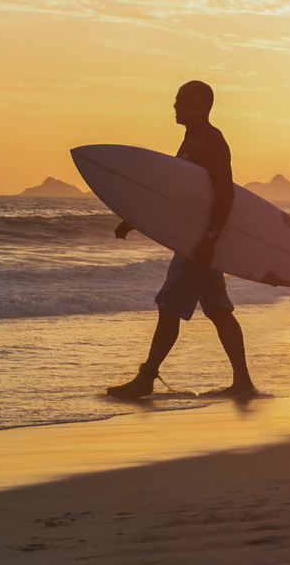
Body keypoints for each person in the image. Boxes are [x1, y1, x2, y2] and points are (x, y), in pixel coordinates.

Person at [106, 80, 256, 401]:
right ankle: (243, 382)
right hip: (197, 240)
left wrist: (210, 239)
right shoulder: (192, 140)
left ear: (199, 106)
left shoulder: (211, 141)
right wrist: (135, 220)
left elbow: (225, 193)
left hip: (197, 243)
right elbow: (177, 197)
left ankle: (146, 378)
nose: (174, 105)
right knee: (218, 310)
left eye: (180, 100)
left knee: (169, 305)